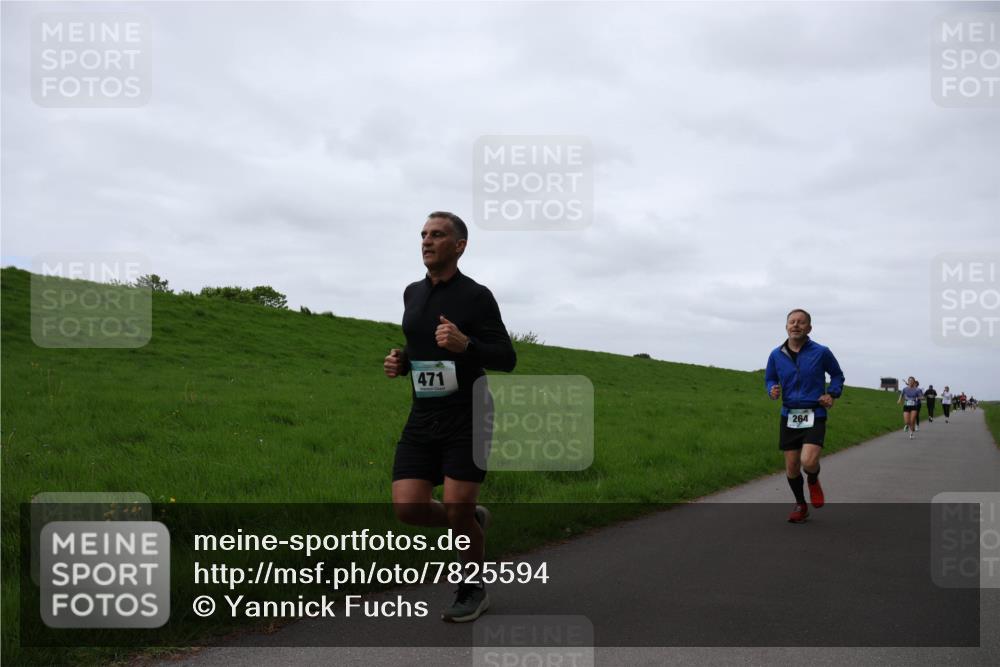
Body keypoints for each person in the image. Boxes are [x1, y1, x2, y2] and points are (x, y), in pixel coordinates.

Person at [383, 211, 516, 622]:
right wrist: (403, 361)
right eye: (423, 234)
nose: (426, 240)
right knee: (408, 508)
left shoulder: (477, 296)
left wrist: (466, 345)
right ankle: (470, 520)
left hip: (468, 413)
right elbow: (422, 348)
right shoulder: (411, 293)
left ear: (459, 246)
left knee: (457, 506)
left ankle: (472, 588)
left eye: (437, 235)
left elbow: (506, 358)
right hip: (424, 414)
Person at [765, 309, 845, 523]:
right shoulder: (776, 354)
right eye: (792, 322)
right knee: (792, 467)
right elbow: (770, 378)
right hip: (789, 414)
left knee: (808, 461)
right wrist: (772, 389)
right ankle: (801, 505)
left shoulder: (821, 352)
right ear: (786, 327)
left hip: (814, 412)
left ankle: (813, 478)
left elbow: (837, 375)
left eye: (801, 322)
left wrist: (832, 394)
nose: (796, 325)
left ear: (809, 328)